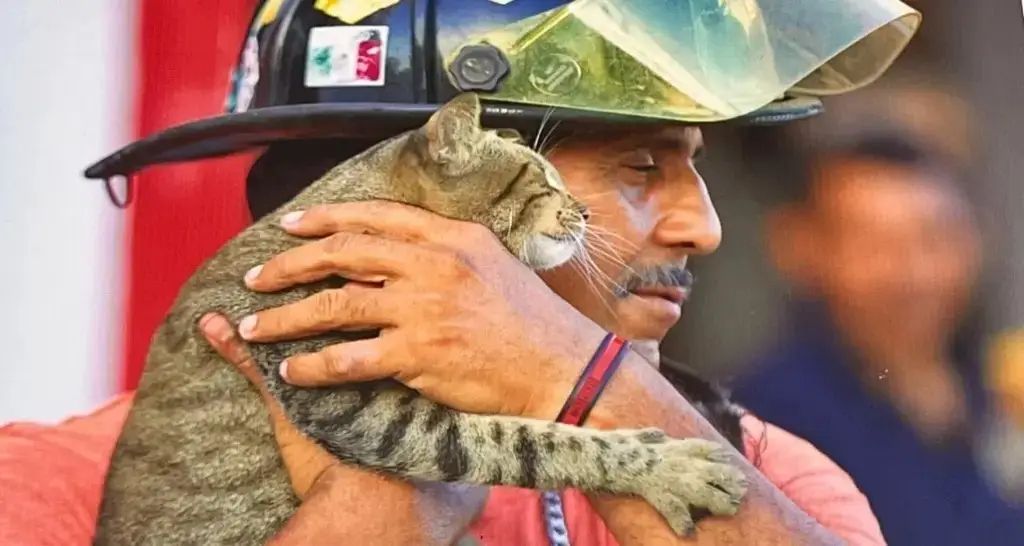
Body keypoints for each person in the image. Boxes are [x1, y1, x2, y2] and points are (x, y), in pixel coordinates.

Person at [1, 0, 921, 544]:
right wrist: (376, 516)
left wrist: (576, 381)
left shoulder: (764, 471)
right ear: (408, 206)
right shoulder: (47, 486)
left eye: (697, 167)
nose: (704, 228)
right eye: (641, 167)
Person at [730, 133, 1024, 544]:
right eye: (874, 244)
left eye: (934, 238)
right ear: (799, 247)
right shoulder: (767, 418)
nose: (912, 274)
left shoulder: (1000, 386)